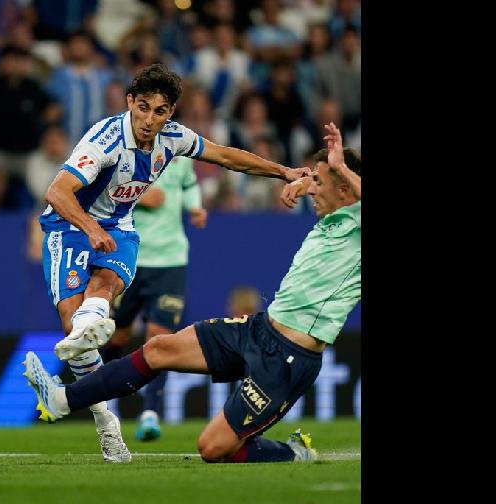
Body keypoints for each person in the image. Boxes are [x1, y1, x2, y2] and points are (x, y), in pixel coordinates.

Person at [27, 121, 360, 464]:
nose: (313, 190)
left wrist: (336, 169)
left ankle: (294, 453)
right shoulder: (336, 216)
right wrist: (306, 181)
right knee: (158, 348)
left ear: (346, 190)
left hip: (290, 358)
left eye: (321, 183)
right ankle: (62, 399)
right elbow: (321, 189)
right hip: (260, 329)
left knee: (213, 449)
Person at [99, 156, 207, 442]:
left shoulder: (181, 159)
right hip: (130, 258)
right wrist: (140, 196)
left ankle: (150, 412)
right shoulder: (125, 157)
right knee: (118, 336)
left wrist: (195, 208)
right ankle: (100, 396)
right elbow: (104, 192)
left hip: (170, 261)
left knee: (159, 339)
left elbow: (189, 185)